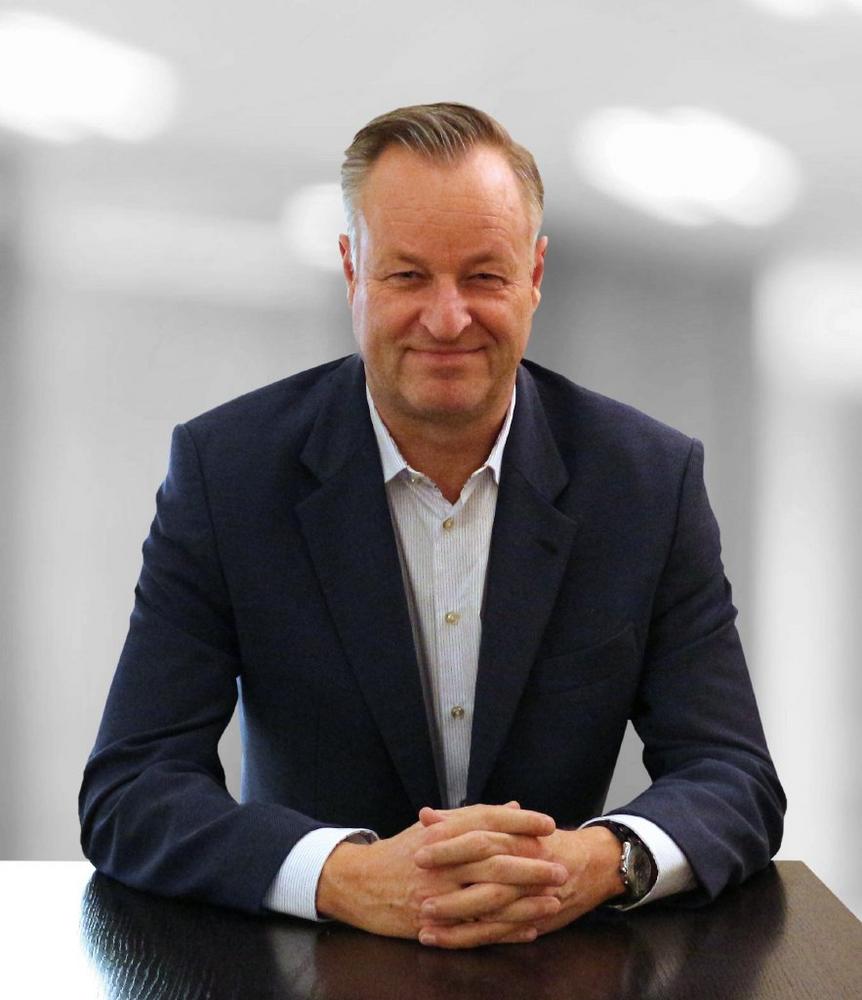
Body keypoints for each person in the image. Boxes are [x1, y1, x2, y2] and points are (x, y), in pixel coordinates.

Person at [79, 102, 785, 950]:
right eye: (408, 276)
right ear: (352, 271)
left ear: (534, 274)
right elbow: (132, 789)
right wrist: (340, 876)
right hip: (305, 965)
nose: (447, 319)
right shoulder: (227, 473)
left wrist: (598, 863)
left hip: (554, 963)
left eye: (483, 276)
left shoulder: (646, 483)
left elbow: (733, 777)